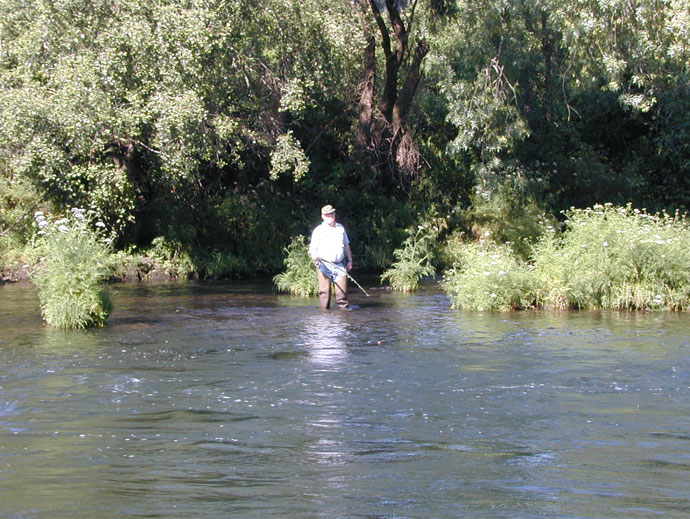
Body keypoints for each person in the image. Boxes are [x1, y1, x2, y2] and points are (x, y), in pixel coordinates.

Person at [309, 204, 353, 309]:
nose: (330, 216)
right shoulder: (318, 230)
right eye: (327, 214)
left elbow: (346, 245)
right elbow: (311, 249)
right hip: (324, 266)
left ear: (334, 214)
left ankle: (342, 318)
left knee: (342, 294)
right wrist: (314, 256)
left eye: (332, 213)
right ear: (323, 216)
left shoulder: (340, 228)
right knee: (324, 294)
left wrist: (350, 260)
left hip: (340, 265)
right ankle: (324, 318)